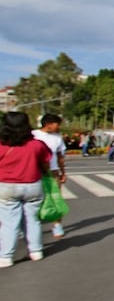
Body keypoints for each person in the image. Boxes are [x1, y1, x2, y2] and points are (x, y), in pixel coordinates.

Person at [0, 112, 52, 267]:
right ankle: (36, 251)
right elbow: (46, 164)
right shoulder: (37, 144)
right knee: (33, 220)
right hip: (33, 185)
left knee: (9, 223)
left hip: (6, 186)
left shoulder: (1, 145)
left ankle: (6, 256)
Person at [32, 114, 68, 239]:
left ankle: (57, 225)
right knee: (34, 201)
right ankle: (28, 226)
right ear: (49, 124)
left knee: (56, 199)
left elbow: (60, 157)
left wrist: (63, 172)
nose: (59, 127)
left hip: (53, 172)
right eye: (57, 124)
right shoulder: (33, 135)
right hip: (35, 172)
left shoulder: (58, 138)